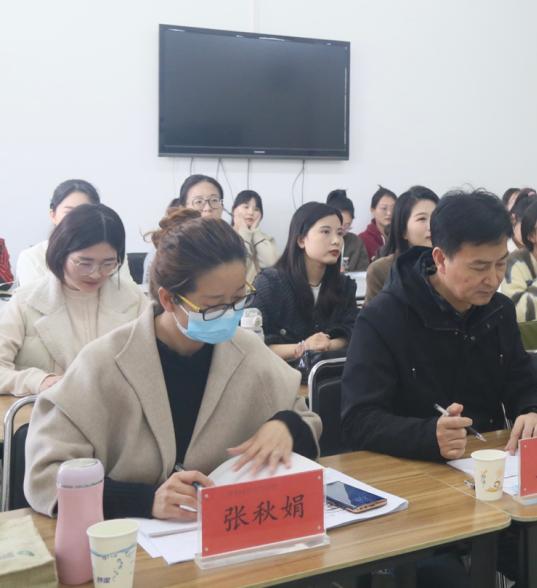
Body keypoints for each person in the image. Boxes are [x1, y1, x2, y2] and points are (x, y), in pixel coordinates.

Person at [340, 189, 537, 588]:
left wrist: (535, 411)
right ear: (440, 258)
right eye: (479, 267)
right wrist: (426, 434)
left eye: (501, 264)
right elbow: (357, 421)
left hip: (485, 482)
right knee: (445, 582)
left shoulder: (498, 311)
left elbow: (525, 383)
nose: (493, 279)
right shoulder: (384, 317)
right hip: (412, 488)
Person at [24, 208, 321, 520]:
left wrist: (286, 426)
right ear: (168, 299)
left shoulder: (247, 351)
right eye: (213, 306)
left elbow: (307, 421)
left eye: (238, 299)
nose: (229, 314)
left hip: (228, 530)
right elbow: (46, 476)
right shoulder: (104, 363)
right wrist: (144, 500)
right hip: (128, 537)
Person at [0, 204, 148, 396]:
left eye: (107, 264)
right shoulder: (25, 302)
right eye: (84, 263)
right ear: (61, 254)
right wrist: (36, 381)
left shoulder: (133, 299)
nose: (95, 274)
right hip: (46, 410)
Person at [252, 203, 357, 362]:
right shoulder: (270, 284)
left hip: (330, 374)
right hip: (280, 373)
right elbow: (253, 345)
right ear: (301, 239)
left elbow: (354, 333)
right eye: (325, 232)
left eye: (339, 233)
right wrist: (304, 346)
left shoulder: (344, 286)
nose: (336, 241)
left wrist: (327, 344)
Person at [15, 180, 135, 287]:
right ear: (53, 215)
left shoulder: (112, 255)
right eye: (69, 213)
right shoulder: (31, 257)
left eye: (85, 213)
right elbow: (32, 300)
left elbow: (125, 293)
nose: (77, 220)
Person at [143, 175, 227, 283]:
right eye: (198, 202)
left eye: (214, 200)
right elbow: (150, 288)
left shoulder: (230, 244)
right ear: (183, 208)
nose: (207, 208)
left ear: (222, 207)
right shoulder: (167, 246)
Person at [364, 186, 439, 302]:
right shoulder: (381, 270)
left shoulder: (450, 265)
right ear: (403, 231)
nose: (431, 226)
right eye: (422, 219)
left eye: (435, 218)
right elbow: (372, 313)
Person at [230, 190, 279, 283]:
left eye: (256, 209)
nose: (251, 212)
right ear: (233, 210)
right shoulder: (223, 236)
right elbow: (239, 264)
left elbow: (270, 263)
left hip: (261, 290)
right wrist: (244, 232)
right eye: (246, 207)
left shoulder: (266, 239)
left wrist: (255, 233)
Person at [326, 189, 369, 272]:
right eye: (339, 224)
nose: (342, 229)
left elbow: (363, 272)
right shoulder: (320, 239)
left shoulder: (356, 242)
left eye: (347, 225)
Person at [359, 185, 396, 263]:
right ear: (373, 210)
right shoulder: (362, 240)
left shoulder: (402, 237)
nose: (389, 213)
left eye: (393, 208)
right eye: (384, 208)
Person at [507, 187, 537, 251]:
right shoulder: (504, 249)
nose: (532, 233)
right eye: (526, 227)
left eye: (536, 228)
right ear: (513, 220)